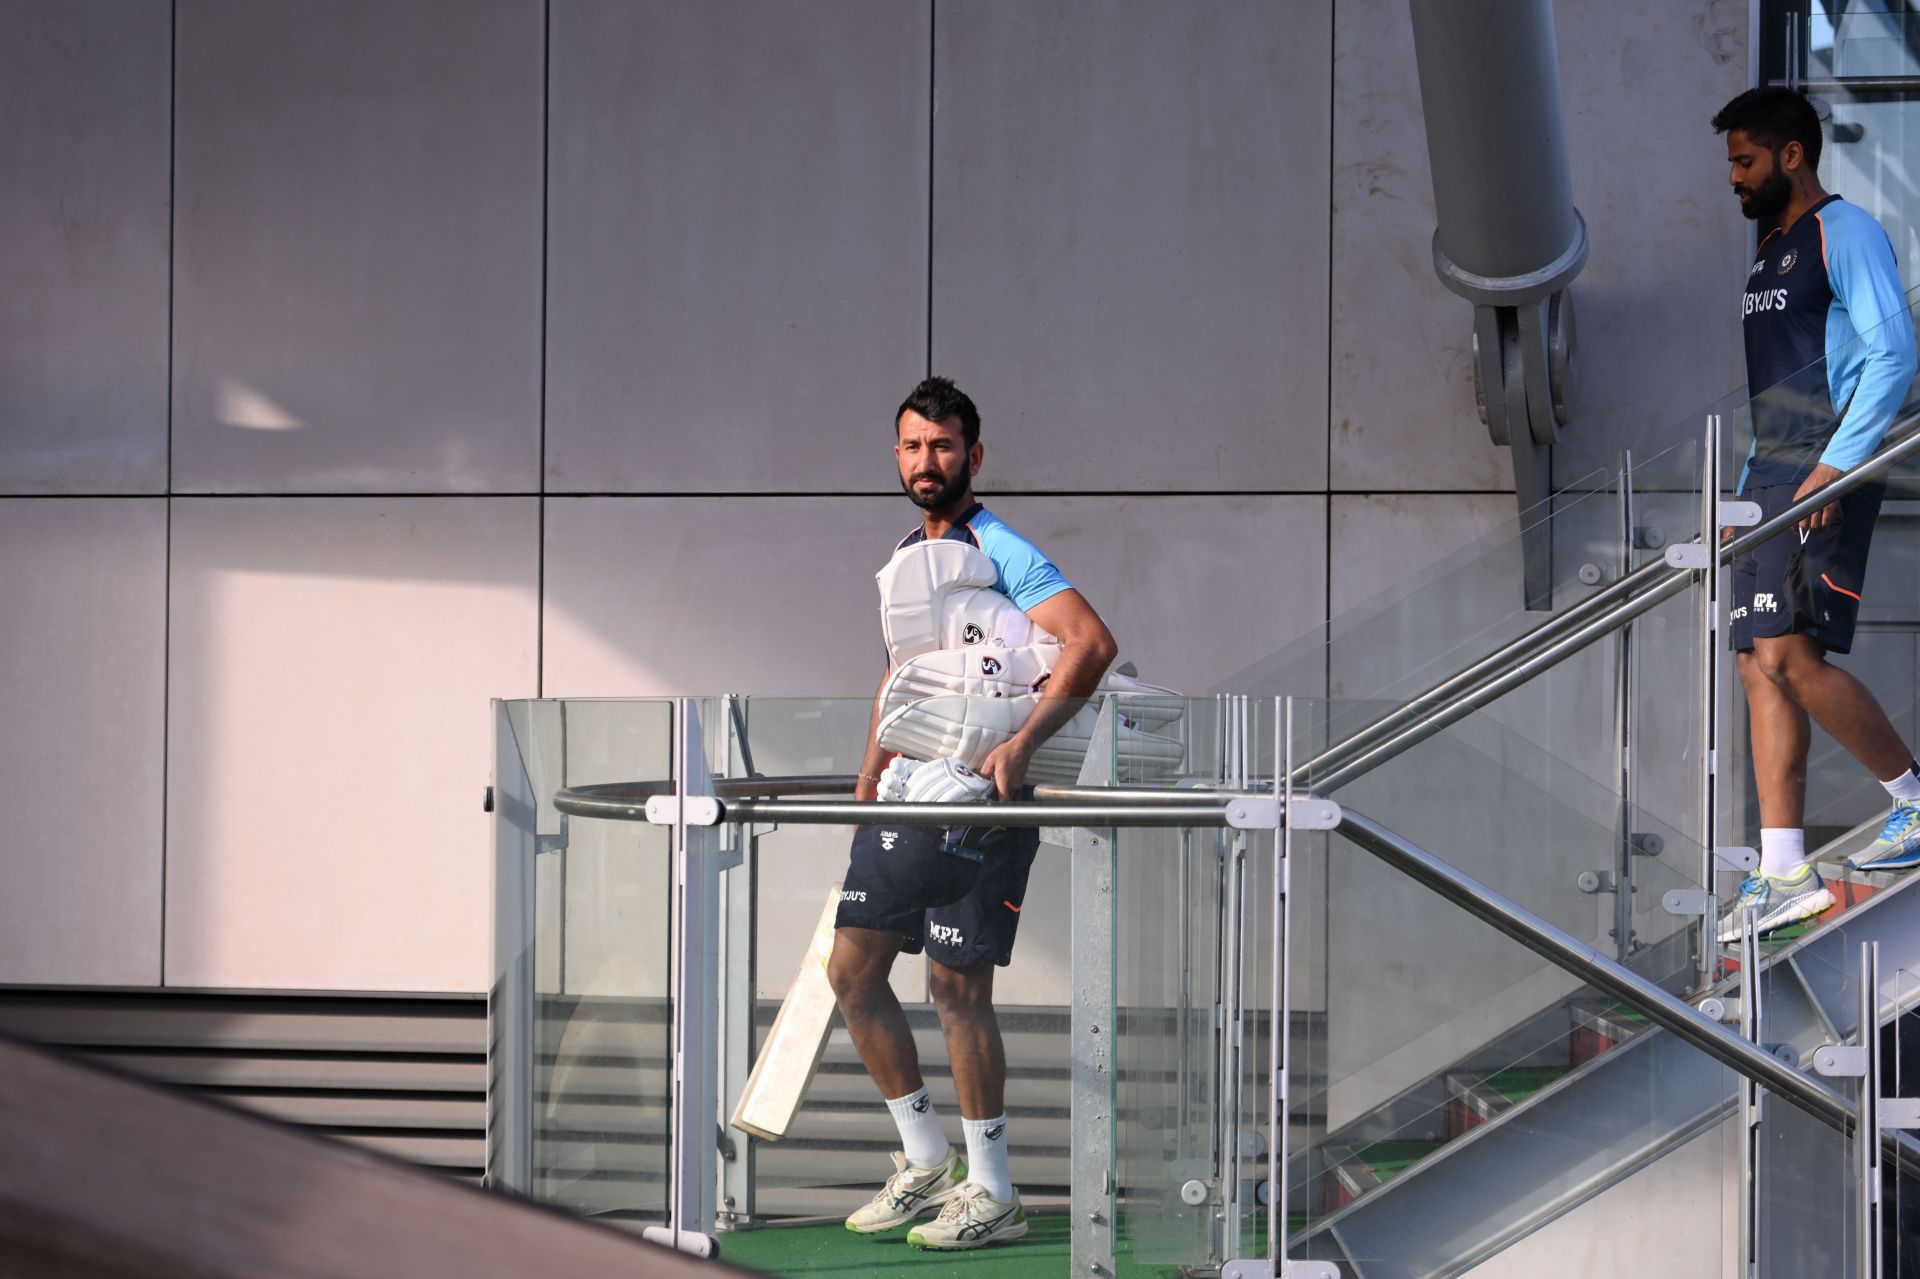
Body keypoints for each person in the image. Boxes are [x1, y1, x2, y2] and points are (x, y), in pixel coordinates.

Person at [826, 376, 1118, 1249]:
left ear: (973, 455)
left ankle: (992, 1189)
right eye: (913, 446)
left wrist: (1022, 745)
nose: (927, 461)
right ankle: (925, 1162)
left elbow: (1092, 643)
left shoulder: (1003, 548)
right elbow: (904, 672)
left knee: (955, 987)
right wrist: (870, 768)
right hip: (909, 788)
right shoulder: (908, 553)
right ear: (898, 454)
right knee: (852, 970)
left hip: (983, 796)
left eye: (943, 446)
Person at [1712, 87, 1920, 940]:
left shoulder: (1848, 231)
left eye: (1745, 160)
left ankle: (1912, 799)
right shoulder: (1769, 249)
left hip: (1827, 470)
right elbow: (1779, 387)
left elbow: (1893, 352)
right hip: (1773, 476)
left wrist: (1837, 465)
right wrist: (1746, 489)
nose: (1733, 177)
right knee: (1756, 666)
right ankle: (1784, 869)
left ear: (1792, 154)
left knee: (1792, 656)